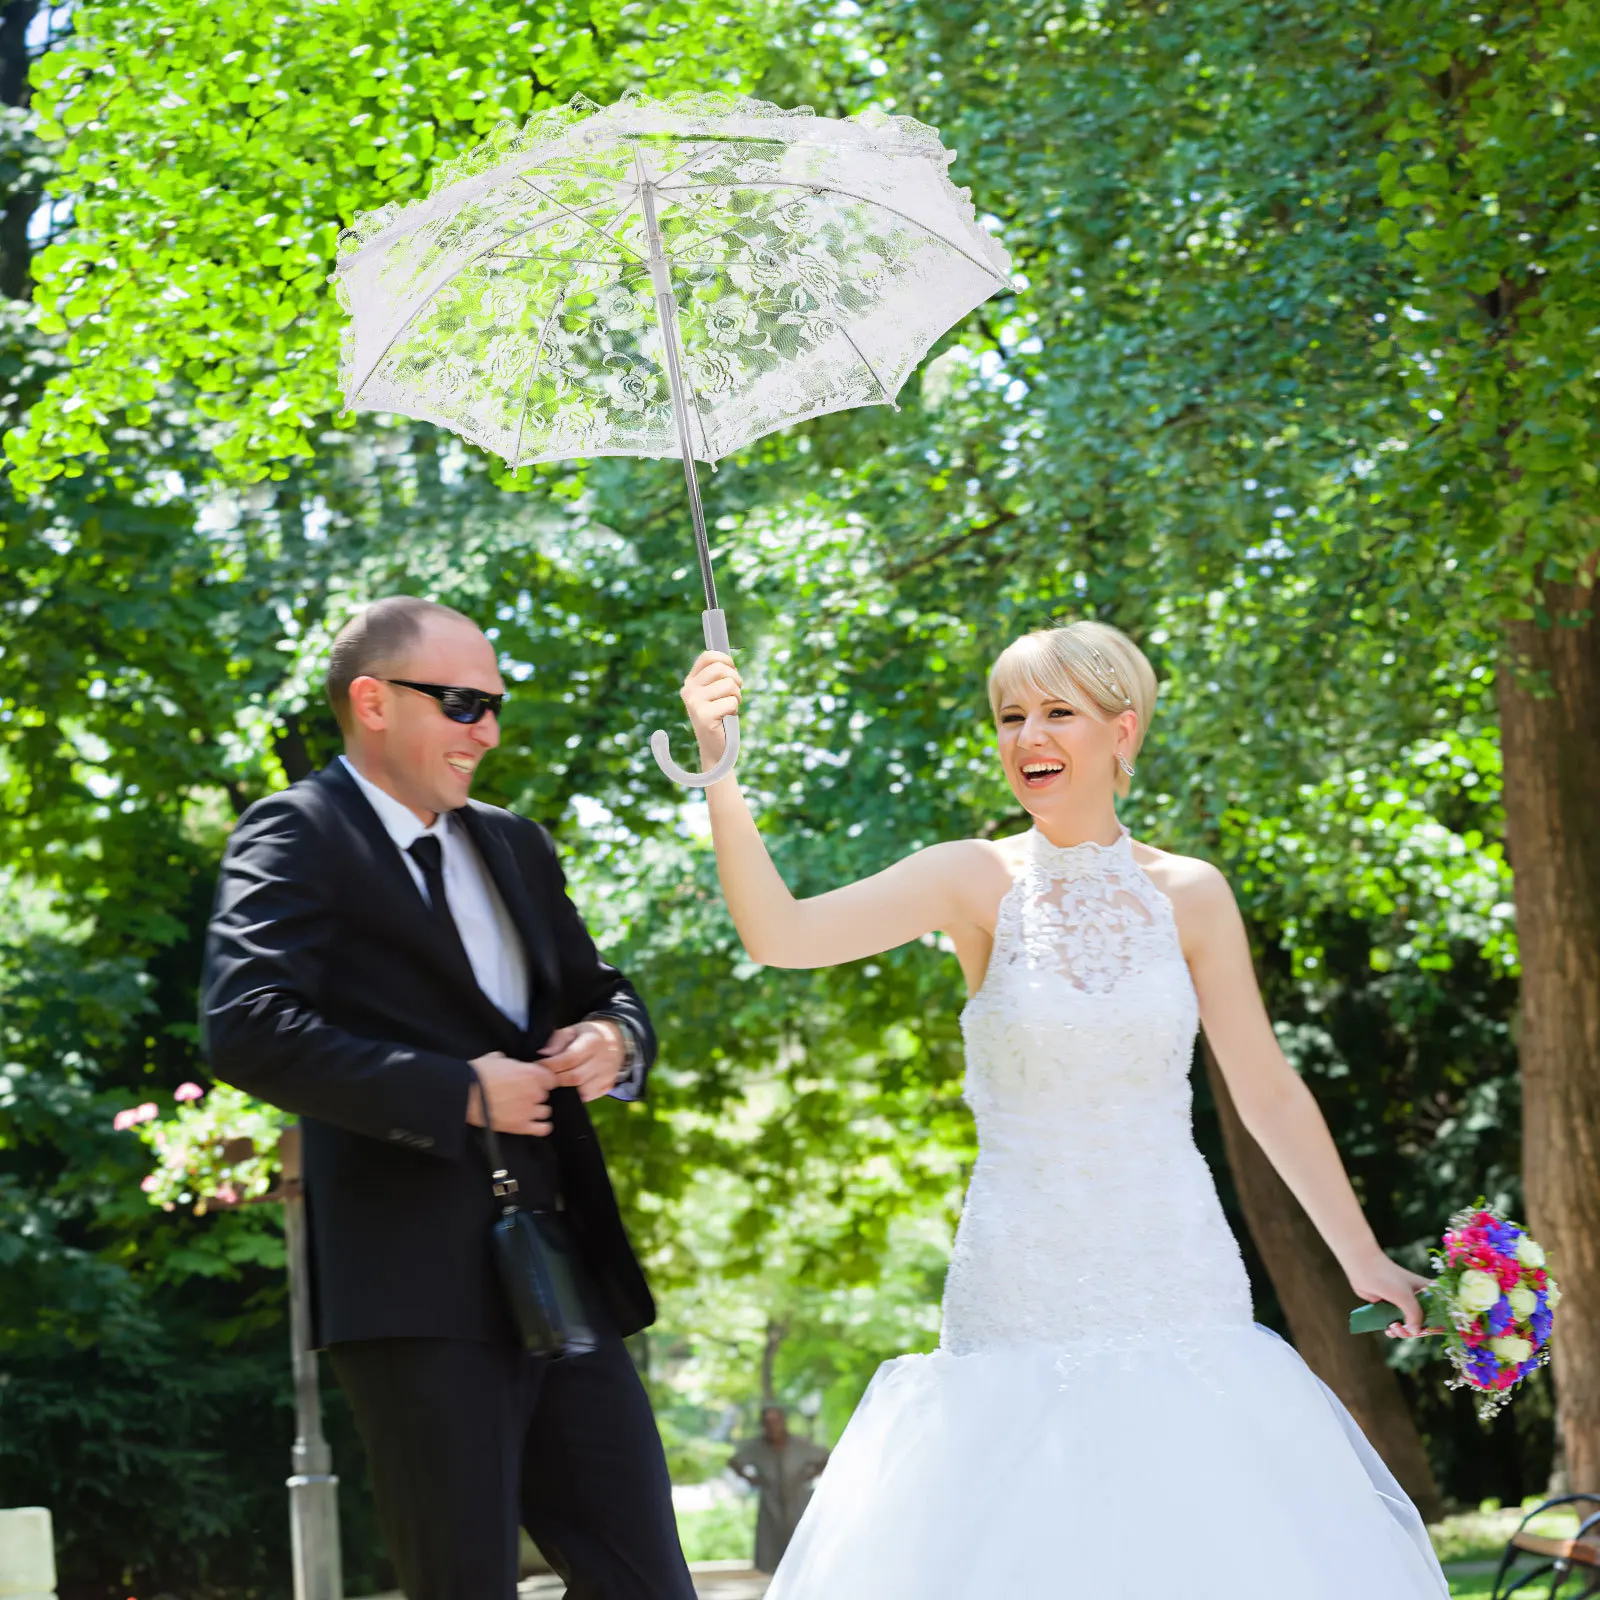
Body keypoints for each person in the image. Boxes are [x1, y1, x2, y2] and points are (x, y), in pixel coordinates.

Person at [677, 620, 1451, 1599]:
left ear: (1121, 730)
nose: (1026, 736)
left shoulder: (1192, 896)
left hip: (1176, 1267)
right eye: (1009, 715)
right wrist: (720, 766)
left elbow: (1266, 1090)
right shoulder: (971, 878)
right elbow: (779, 933)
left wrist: (1363, 1257)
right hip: (1020, 1276)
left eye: (1056, 712)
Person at [202, 596, 696, 1600]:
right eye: (465, 704)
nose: (489, 732)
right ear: (373, 701)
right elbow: (245, 1023)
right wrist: (459, 1093)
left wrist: (614, 1038)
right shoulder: (296, 832)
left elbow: (601, 989)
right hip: (413, 1288)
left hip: (561, 1275)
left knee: (649, 1583)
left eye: (496, 707)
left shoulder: (514, 843)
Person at [728, 1407, 829, 1573]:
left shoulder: (800, 1444)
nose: (772, 1427)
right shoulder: (757, 1447)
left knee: (803, 1542)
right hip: (771, 1501)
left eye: (775, 1422)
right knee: (772, 1546)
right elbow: (734, 1461)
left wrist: (812, 1474)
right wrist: (749, 1478)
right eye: (767, 1423)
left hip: (798, 1499)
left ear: (783, 1422)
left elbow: (825, 1457)